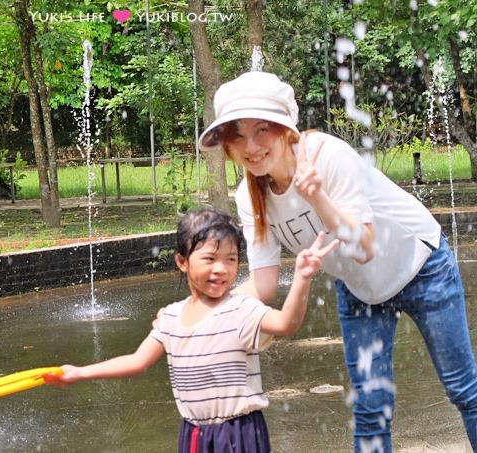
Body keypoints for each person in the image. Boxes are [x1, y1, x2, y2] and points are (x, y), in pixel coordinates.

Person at [197, 70, 477, 452]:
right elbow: (262, 286)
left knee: (463, 389)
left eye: (262, 129)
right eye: (238, 135)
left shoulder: (326, 156)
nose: (251, 146)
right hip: (360, 288)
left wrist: (318, 200)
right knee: (370, 409)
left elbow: (363, 246)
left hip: (421, 266)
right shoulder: (250, 196)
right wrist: (204, 312)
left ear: (284, 128)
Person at [44, 207, 337, 452]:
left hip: (239, 433)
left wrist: (302, 278)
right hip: (194, 433)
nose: (221, 269)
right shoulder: (171, 317)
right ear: (182, 262)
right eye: (209, 259)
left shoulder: (242, 310)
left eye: (231, 259)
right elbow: (137, 361)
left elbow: (288, 323)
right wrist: (79, 372)